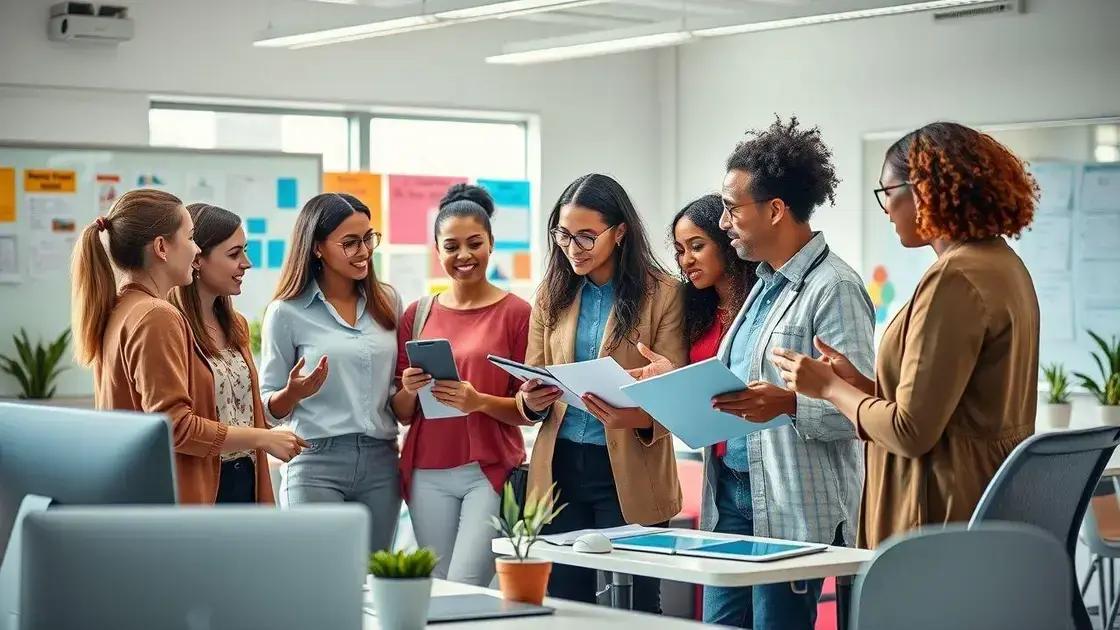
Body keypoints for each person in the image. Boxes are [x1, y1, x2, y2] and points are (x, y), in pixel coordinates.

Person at [631, 117, 875, 629]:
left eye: (732, 208)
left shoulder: (834, 288)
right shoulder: (765, 285)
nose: (723, 222)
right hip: (734, 499)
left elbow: (859, 414)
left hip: (790, 507)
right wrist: (674, 381)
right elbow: (739, 390)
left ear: (775, 209)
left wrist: (788, 404)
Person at [771, 121, 1040, 550]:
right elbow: (954, 405)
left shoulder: (954, 279)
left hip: (937, 514)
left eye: (887, 192)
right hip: (987, 503)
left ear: (924, 191)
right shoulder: (1004, 265)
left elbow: (910, 430)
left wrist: (830, 388)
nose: (886, 208)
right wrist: (863, 387)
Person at [516, 173, 687, 613]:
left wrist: (633, 412)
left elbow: (678, 392)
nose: (573, 247)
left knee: (637, 603)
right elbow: (533, 377)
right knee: (565, 603)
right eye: (564, 234)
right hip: (562, 467)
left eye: (587, 236)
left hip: (631, 466)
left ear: (620, 232)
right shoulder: (551, 293)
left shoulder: (664, 293)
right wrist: (530, 401)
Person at [72, 189, 305, 504]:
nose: (195, 251)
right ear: (162, 247)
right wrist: (262, 437)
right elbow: (176, 425)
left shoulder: (124, 307)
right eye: (191, 238)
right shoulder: (156, 315)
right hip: (185, 491)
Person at [391, 184, 531, 586]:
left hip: (487, 470)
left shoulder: (518, 314)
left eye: (474, 243)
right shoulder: (418, 314)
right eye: (451, 246)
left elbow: (530, 411)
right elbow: (401, 412)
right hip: (426, 469)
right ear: (437, 250)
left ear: (491, 244)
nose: (464, 255)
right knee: (436, 584)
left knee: (468, 582)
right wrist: (409, 386)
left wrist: (478, 401)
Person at [260, 192, 402, 552]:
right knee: (320, 581)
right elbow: (267, 408)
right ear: (317, 248)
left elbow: (398, 387)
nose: (365, 251)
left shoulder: (388, 301)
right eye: (350, 243)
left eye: (368, 238)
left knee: (375, 581)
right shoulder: (286, 312)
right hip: (316, 462)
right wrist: (292, 393)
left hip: (381, 461)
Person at [169, 203, 278, 504]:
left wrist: (291, 395)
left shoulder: (236, 325)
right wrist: (263, 438)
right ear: (197, 259)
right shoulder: (170, 327)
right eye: (234, 254)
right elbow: (178, 426)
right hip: (203, 483)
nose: (246, 263)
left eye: (245, 251)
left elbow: (245, 413)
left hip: (248, 477)